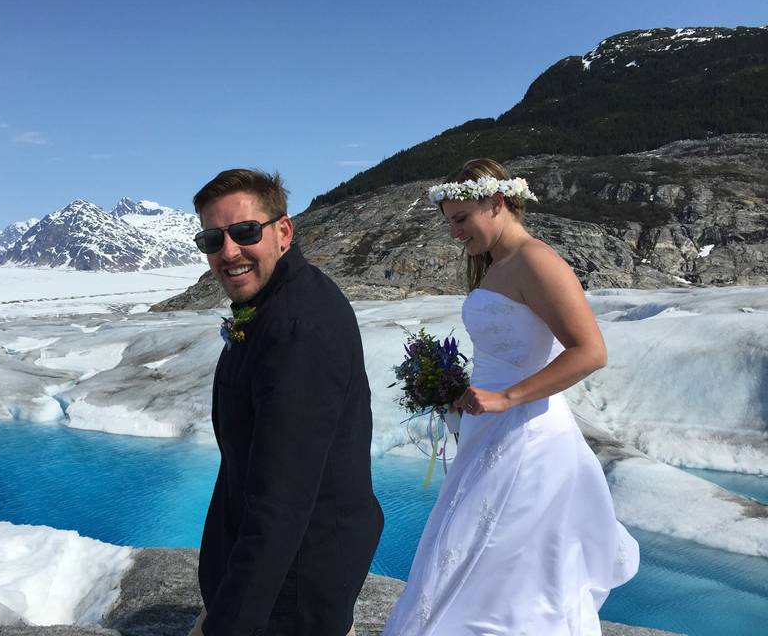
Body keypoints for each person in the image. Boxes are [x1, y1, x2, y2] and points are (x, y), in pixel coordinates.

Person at [382, 159, 639, 635]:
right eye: (449, 223)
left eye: (462, 219)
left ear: (497, 202)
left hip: (529, 436)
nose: (455, 233)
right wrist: (458, 390)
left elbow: (590, 351)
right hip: (490, 429)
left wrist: (507, 398)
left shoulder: (535, 260)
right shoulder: (498, 264)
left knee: (509, 566)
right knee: (471, 554)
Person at [188, 169, 384, 636]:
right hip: (283, 581)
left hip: (291, 592)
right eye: (212, 240)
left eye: (244, 232)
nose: (228, 251)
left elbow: (282, 501)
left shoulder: (298, 329)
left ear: (283, 231)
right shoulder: (279, 301)